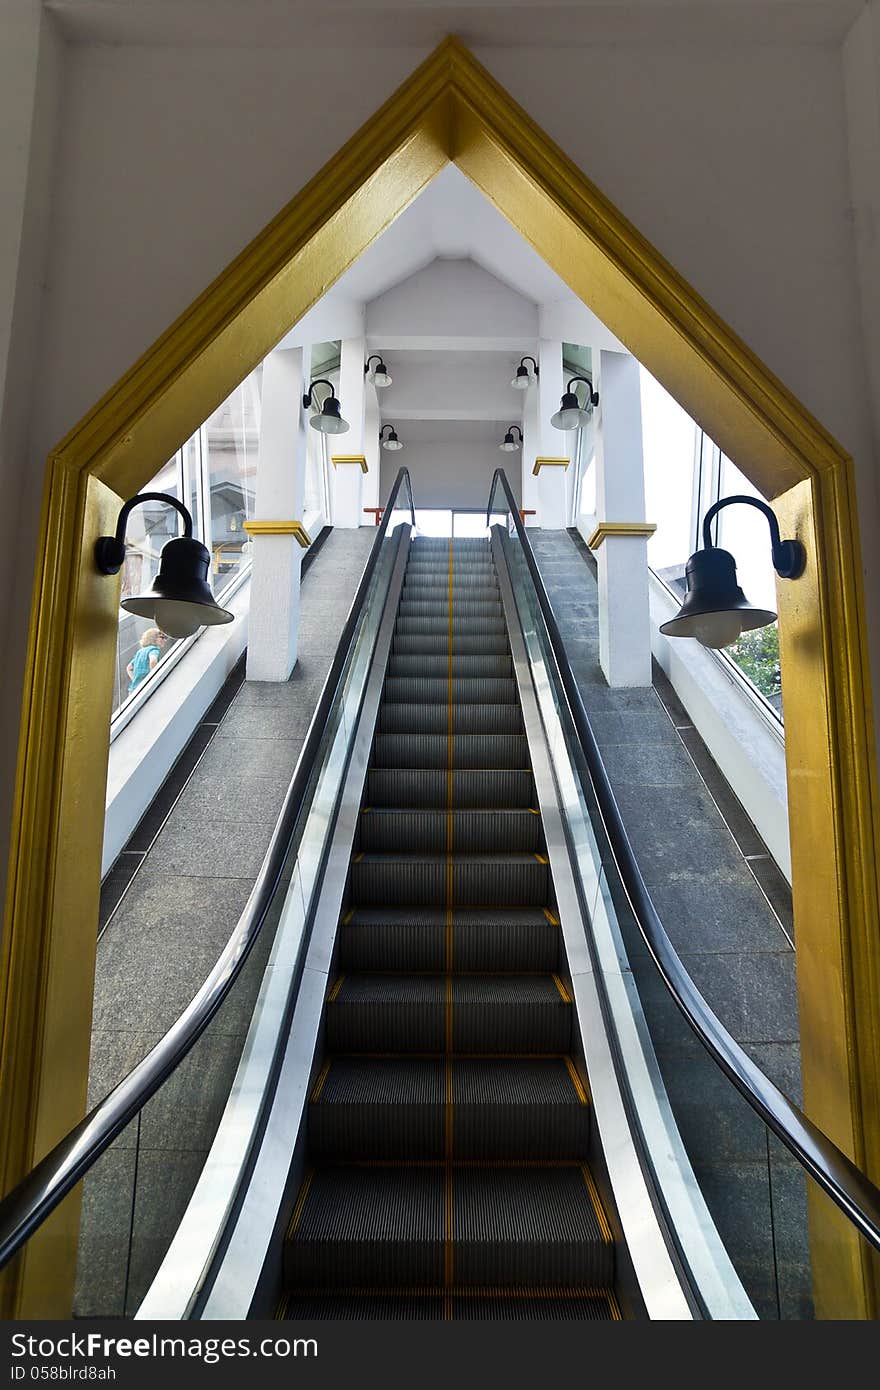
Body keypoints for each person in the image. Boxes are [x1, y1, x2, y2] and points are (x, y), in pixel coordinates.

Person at [126, 627, 168, 694]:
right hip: (145, 688)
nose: (165, 640)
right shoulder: (154, 649)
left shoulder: (140, 652)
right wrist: (154, 676)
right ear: (153, 639)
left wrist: (135, 680)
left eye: (165, 638)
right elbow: (153, 661)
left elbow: (129, 668)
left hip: (134, 689)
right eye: (162, 637)